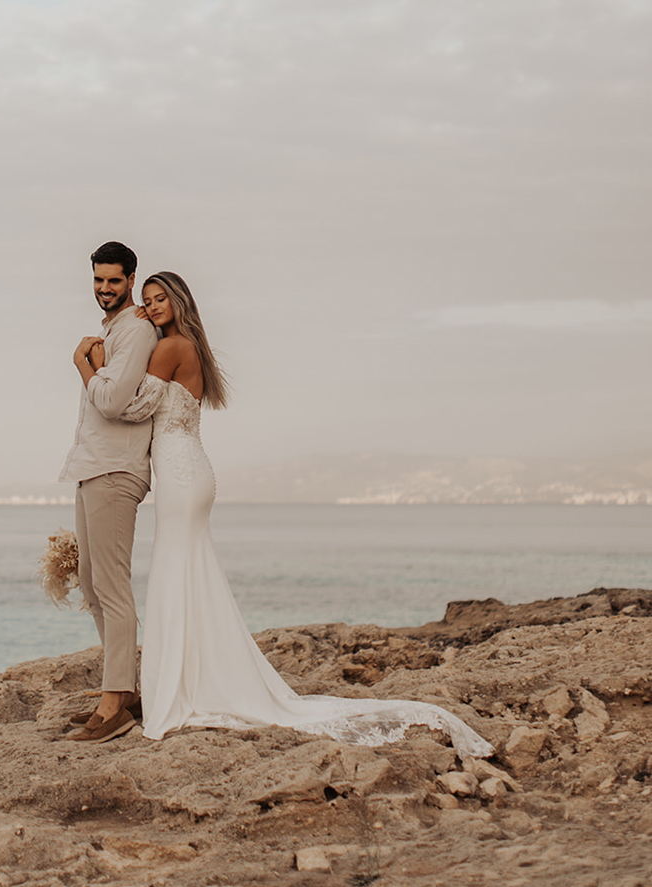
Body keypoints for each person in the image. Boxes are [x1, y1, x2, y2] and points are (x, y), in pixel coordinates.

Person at [104, 271, 492, 757]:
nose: (154, 306)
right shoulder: (189, 346)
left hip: (182, 475)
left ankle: (179, 692)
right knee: (190, 576)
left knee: (172, 575)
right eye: (148, 300)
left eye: (161, 299)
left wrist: (97, 364)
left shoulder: (169, 348)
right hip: (192, 470)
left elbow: (135, 407)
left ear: (180, 302)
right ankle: (194, 680)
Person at [58, 242, 158, 743]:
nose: (104, 289)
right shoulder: (113, 331)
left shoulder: (136, 331)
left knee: (113, 590)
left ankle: (114, 706)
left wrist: (82, 362)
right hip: (92, 466)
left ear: (131, 278)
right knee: (92, 587)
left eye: (113, 281)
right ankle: (123, 691)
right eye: (98, 280)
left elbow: (114, 401)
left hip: (116, 471)